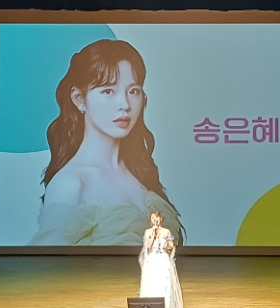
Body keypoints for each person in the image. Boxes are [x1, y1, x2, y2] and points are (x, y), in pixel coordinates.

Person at [29, 39, 183, 246]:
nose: (125, 105)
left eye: (133, 91)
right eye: (108, 91)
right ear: (79, 99)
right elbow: (46, 263)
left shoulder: (139, 171)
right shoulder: (71, 184)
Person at [139, 212, 183, 308]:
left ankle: (165, 305)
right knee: (152, 283)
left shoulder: (166, 231)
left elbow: (171, 245)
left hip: (163, 260)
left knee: (163, 284)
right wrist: (153, 234)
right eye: (152, 218)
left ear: (161, 219)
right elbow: (148, 247)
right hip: (152, 261)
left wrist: (168, 245)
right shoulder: (148, 232)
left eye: (156, 217)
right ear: (151, 220)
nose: (155, 219)